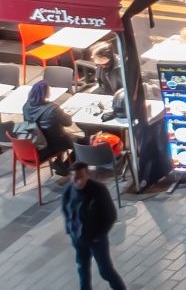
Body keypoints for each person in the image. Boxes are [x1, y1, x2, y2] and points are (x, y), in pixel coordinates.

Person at [62, 162, 126, 290]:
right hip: (78, 238)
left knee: (105, 271)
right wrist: (70, 229)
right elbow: (65, 209)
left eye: (81, 177)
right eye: (75, 178)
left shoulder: (98, 190)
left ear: (88, 175)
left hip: (95, 239)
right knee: (82, 268)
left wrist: (98, 235)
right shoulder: (69, 189)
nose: (78, 181)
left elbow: (110, 215)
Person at [20, 77, 79, 174]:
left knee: (64, 134)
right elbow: (68, 123)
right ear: (46, 93)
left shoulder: (26, 106)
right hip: (52, 143)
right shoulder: (52, 108)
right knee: (81, 143)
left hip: (36, 142)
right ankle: (65, 167)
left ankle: (58, 162)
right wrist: (64, 114)